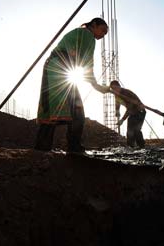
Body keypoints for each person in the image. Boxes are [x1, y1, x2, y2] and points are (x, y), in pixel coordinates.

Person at [35, 18, 110, 153]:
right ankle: (74, 148)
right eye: (103, 30)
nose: (103, 35)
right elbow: (87, 64)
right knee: (77, 111)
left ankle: (42, 148)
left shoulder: (79, 33)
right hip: (60, 68)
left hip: (54, 67)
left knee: (52, 108)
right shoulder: (88, 35)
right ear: (94, 25)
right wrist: (97, 86)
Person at [110, 80, 146, 148]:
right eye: (113, 89)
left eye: (115, 88)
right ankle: (130, 146)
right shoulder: (117, 94)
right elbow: (117, 102)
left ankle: (141, 146)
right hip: (132, 112)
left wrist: (122, 120)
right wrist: (117, 110)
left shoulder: (126, 93)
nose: (114, 90)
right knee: (130, 129)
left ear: (119, 86)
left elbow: (129, 108)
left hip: (139, 111)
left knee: (136, 129)